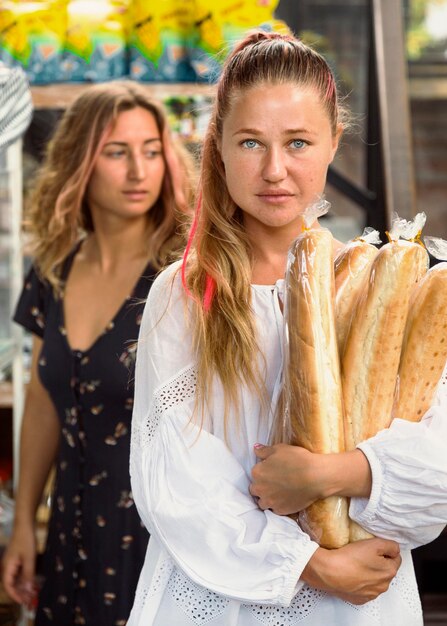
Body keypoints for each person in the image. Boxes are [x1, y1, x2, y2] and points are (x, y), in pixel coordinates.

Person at [127, 30, 447, 626]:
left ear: (334, 144)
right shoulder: (184, 294)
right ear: (218, 147)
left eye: (298, 142)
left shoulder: (384, 283)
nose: (275, 170)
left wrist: (332, 473)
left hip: (360, 606)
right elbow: (177, 487)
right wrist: (311, 563)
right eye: (251, 142)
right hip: (221, 604)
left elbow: (439, 469)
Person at [1, 81, 196, 625]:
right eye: (117, 152)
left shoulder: (185, 274)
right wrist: (23, 526)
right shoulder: (54, 270)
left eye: (151, 151)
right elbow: (43, 402)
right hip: (73, 535)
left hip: (164, 544)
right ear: (80, 162)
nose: (139, 170)